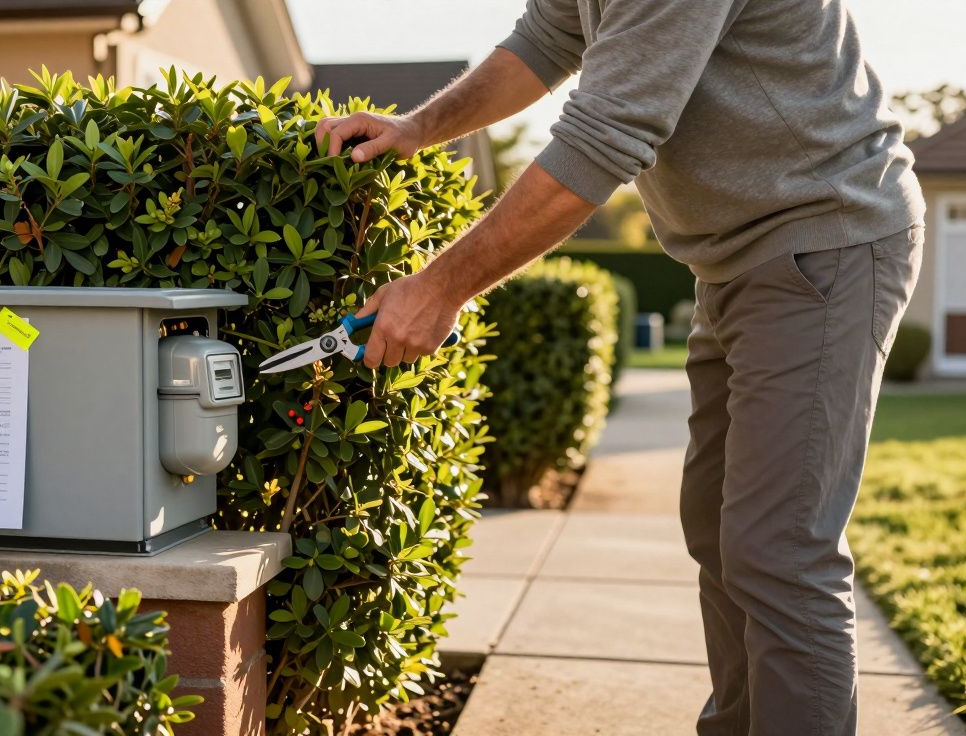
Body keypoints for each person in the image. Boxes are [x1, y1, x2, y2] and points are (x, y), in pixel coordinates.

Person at [316, 1, 924, 734]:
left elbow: (603, 140)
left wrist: (440, 288)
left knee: (780, 548)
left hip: (825, 232)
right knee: (719, 532)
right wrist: (421, 128)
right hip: (734, 254)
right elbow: (545, 40)